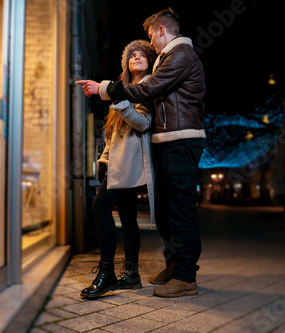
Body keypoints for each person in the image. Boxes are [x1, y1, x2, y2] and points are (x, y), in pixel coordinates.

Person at [76, 7, 206, 298]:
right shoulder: (168, 59)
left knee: (181, 210)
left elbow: (149, 94)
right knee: (167, 211)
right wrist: (105, 158)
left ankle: (186, 277)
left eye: (151, 37)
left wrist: (105, 89)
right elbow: (114, 134)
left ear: (161, 31)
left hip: (181, 141)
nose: (150, 45)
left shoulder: (180, 55)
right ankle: (173, 267)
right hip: (168, 142)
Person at [80, 40, 156, 299]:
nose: (136, 57)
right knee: (127, 216)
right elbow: (112, 136)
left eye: (142, 53)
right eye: (131, 55)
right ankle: (132, 273)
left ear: (150, 60)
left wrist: (121, 103)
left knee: (100, 207)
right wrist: (103, 160)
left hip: (133, 163)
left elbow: (144, 123)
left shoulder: (148, 87)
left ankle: (107, 273)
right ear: (126, 64)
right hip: (118, 164)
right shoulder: (125, 88)